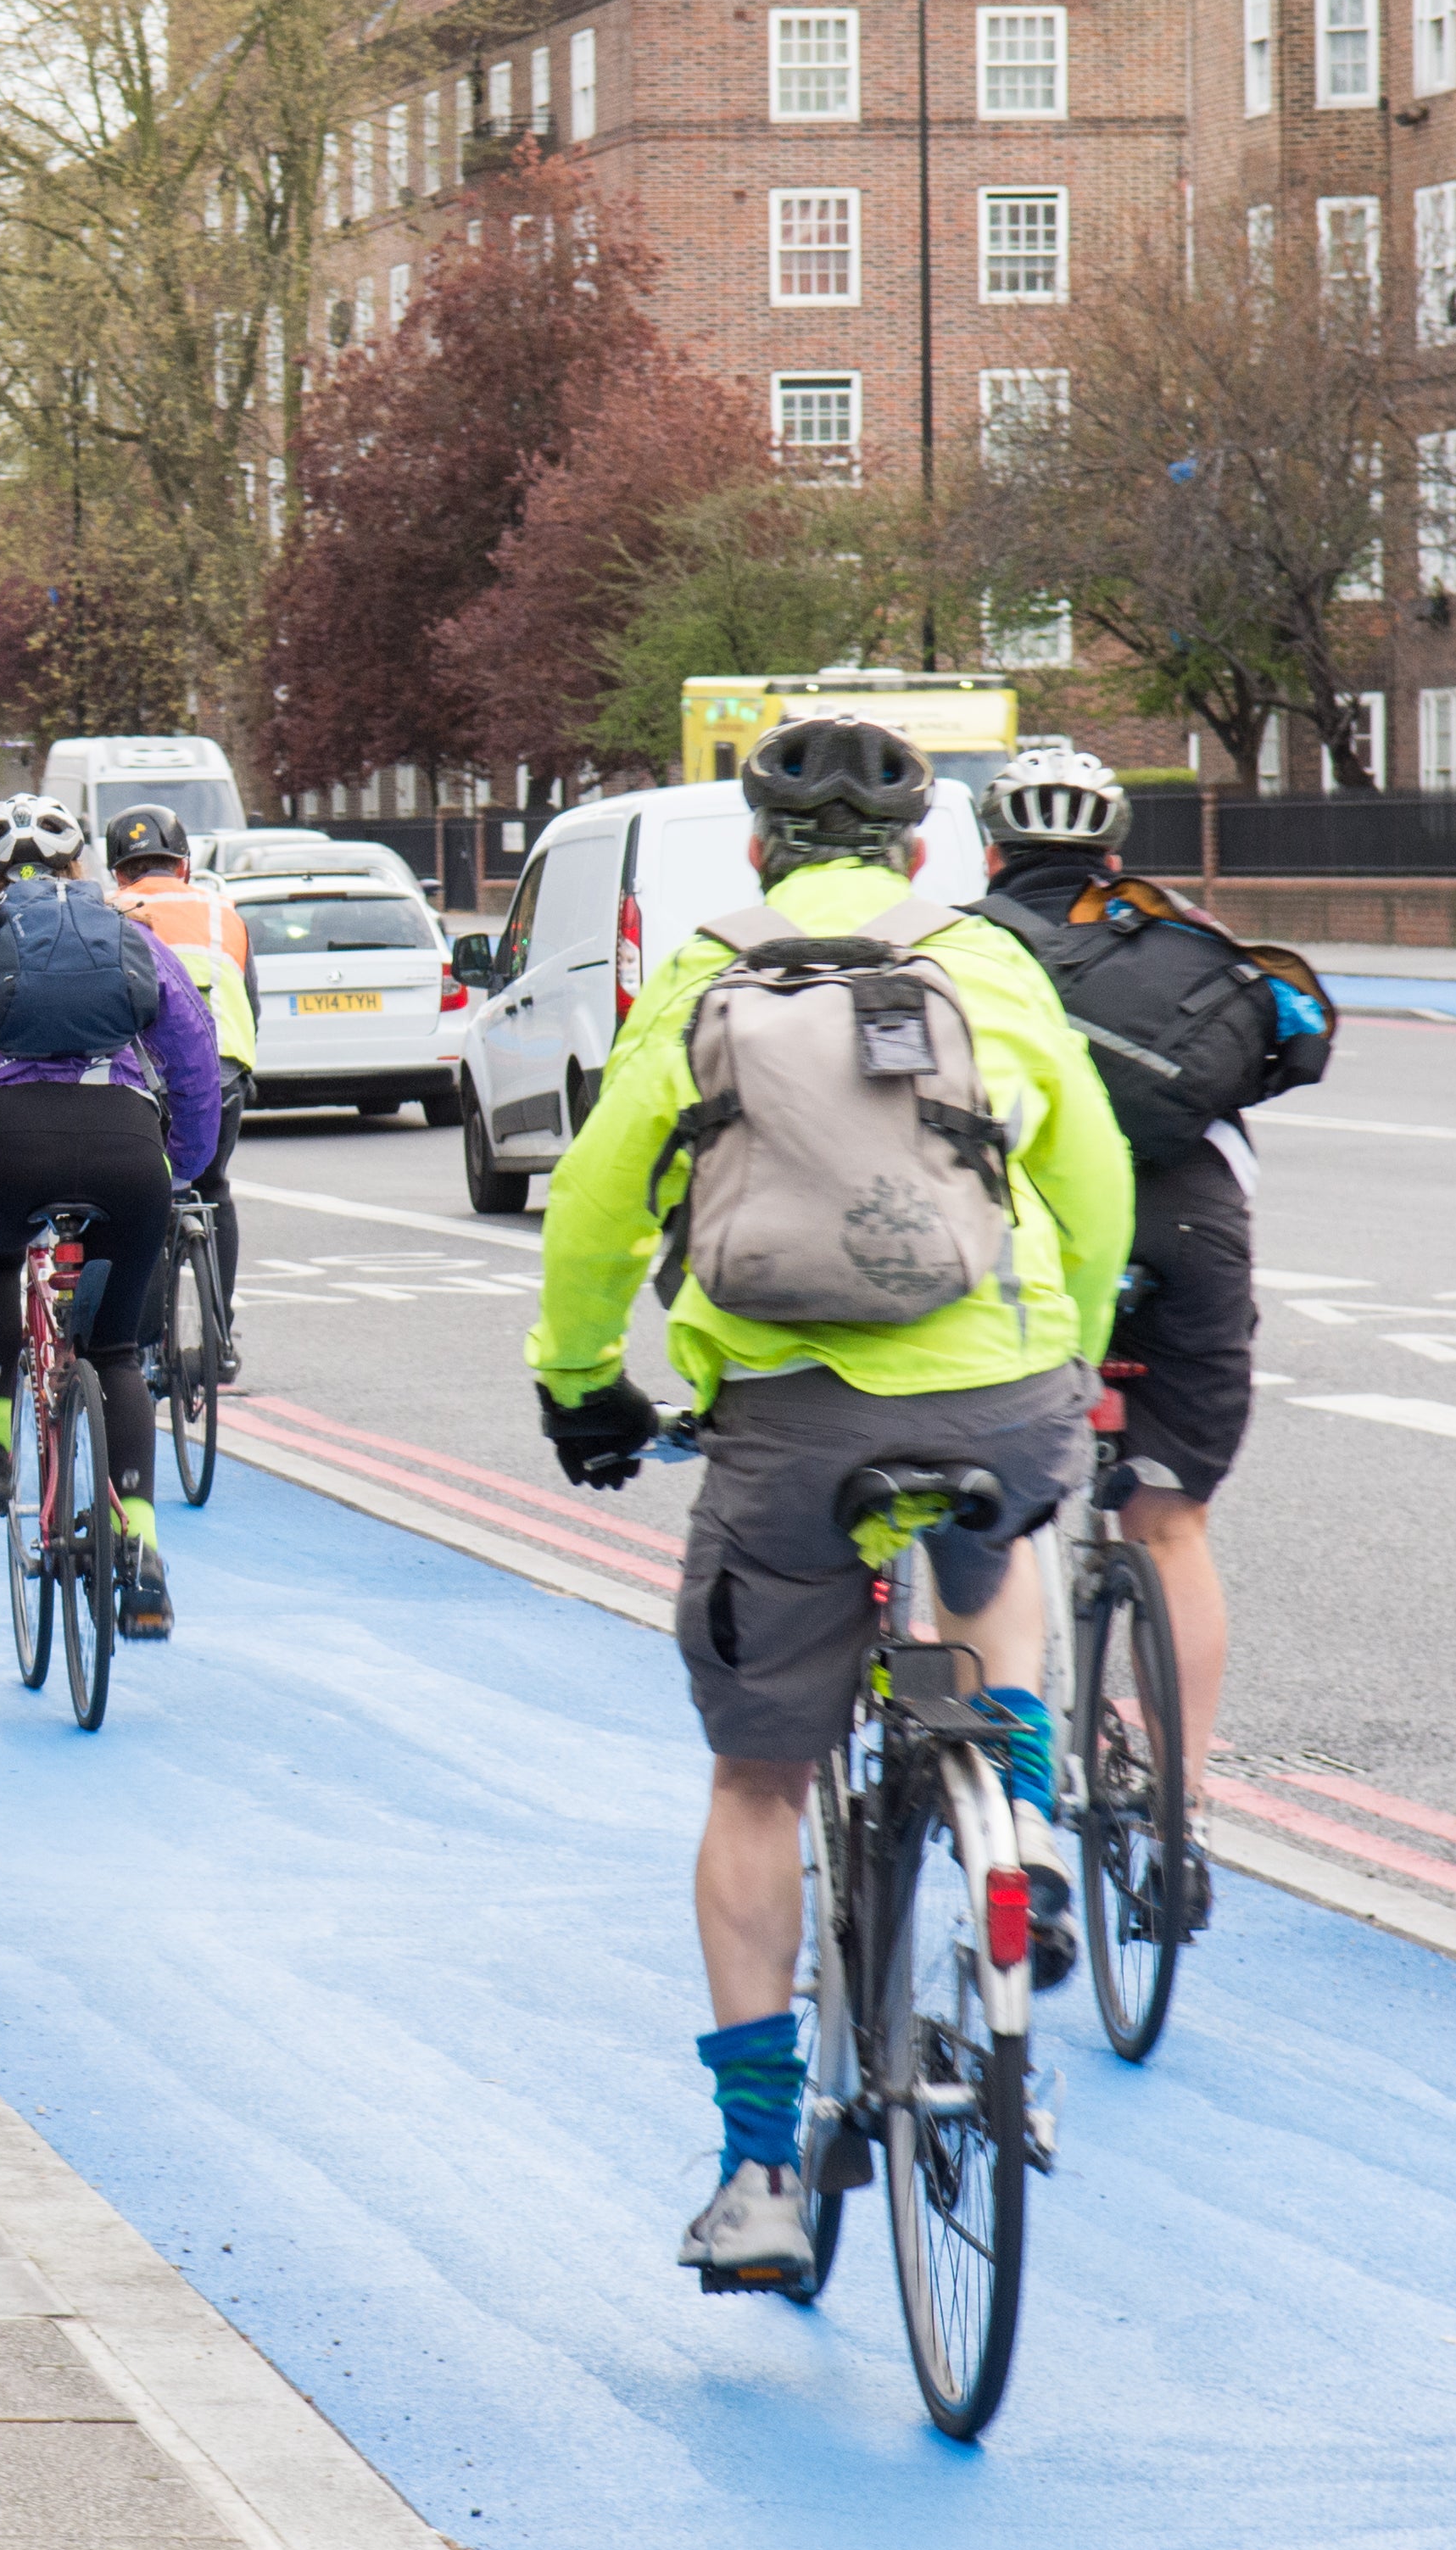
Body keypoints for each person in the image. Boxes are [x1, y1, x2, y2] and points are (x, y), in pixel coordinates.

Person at [525, 717, 1130, 2291]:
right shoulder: (986, 966)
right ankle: (1026, 1835)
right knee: (988, 1547)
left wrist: (578, 1373)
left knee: (755, 1782)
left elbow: (597, 1195)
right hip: (997, 1385)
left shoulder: (703, 974)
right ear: (920, 848)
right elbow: (1092, 1168)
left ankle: (752, 2173)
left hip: (787, 1422)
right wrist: (1066, 1332)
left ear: (756, 849)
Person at [971, 740, 1273, 1933]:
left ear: (990, 852)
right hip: (1192, 1221)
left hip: (1027, 1226)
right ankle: (1182, 1810)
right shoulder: (1180, 934)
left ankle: (1017, 1792)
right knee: (1173, 1520)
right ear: (1112, 852)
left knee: (990, 1511)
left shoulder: (957, 947)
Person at [0, 793, 221, 1640]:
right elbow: (196, 1053)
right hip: (127, 1148)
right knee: (115, 1356)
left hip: (8, 1145)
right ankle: (139, 1554)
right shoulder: (130, 938)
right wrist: (186, 1164)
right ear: (79, 869)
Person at [103, 804, 259, 1364]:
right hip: (222, 1070)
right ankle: (219, 1339)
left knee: (141, 1202)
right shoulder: (225, 914)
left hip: (148, 1076)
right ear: (184, 866)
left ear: (117, 871)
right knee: (213, 1189)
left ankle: (140, 1345)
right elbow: (250, 1004)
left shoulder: (113, 911)